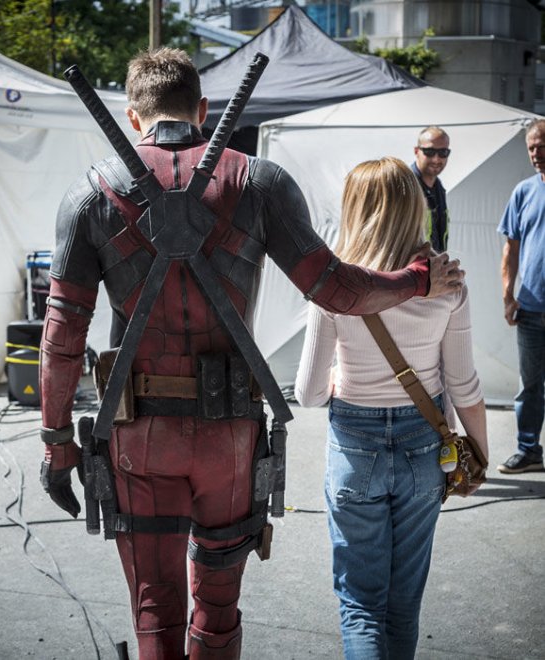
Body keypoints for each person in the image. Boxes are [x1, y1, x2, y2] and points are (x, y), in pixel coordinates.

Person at [38, 48, 463, 660]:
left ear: (133, 117)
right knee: (217, 613)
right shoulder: (256, 182)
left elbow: (62, 338)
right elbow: (336, 290)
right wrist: (416, 280)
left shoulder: (91, 193)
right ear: (203, 110)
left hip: (140, 438)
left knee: (155, 608)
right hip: (230, 439)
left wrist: (57, 445)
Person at [295, 157, 487, 660]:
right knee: (403, 603)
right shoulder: (448, 282)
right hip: (424, 446)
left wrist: (340, 380)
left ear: (354, 210)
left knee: (360, 603)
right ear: (415, 208)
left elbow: (309, 393)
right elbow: (463, 384)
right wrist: (480, 457)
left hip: (354, 447)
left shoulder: (333, 287)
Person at [496, 118, 545, 474]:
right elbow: (510, 249)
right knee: (529, 386)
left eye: (542, 146)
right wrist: (507, 297)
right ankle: (528, 450)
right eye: (531, 147)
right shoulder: (524, 192)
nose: (536, 153)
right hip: (530, 309)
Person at [411, 126, 451, 252]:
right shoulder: (406, 187)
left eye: (443, 152)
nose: (436, 159)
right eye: (429, 151)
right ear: (416, 151)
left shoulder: (439, 188)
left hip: (433, 262)